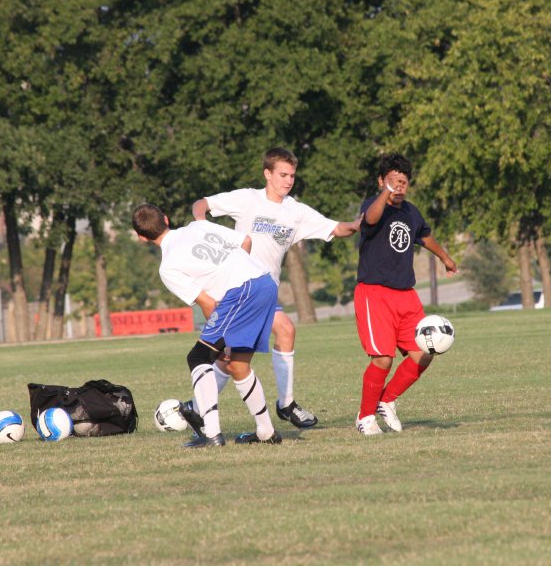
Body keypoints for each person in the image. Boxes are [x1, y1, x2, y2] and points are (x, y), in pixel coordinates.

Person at [191, 147, 361, 428]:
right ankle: (277, 406)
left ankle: (201, 407)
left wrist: (357, 224)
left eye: (292, 175)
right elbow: (202, 203)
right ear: (267, 174)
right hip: (237, 289)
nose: (288, 180)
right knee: (234, 355)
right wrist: (201, 223)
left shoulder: (296, 211)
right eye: (283, 174)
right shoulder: (247, 199)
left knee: (238, 353)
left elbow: (335, 228)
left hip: (264, 293)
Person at [132, 203, 283, 448]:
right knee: (236, 364)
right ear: (166, 218)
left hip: (242, 292)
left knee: (199, 356)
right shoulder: (197, 226)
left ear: (141, 237)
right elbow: (245, 240)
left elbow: (208, 303)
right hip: (265, 283)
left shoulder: (168, 266)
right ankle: (266, 432)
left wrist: (219, 337)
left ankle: (211, 434)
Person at [353, 153, 457, 435]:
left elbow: (424, 236)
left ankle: (386, 401)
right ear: (381, 181)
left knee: (425, 351)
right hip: (374, 292)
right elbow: (370, 220)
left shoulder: (411, 212)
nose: (399, 187)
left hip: (405, 294)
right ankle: (365, 417)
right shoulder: (372, 206)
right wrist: (384, 195)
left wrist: (445, 258)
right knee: (383, 359)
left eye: (403, 182)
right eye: (392, 181)